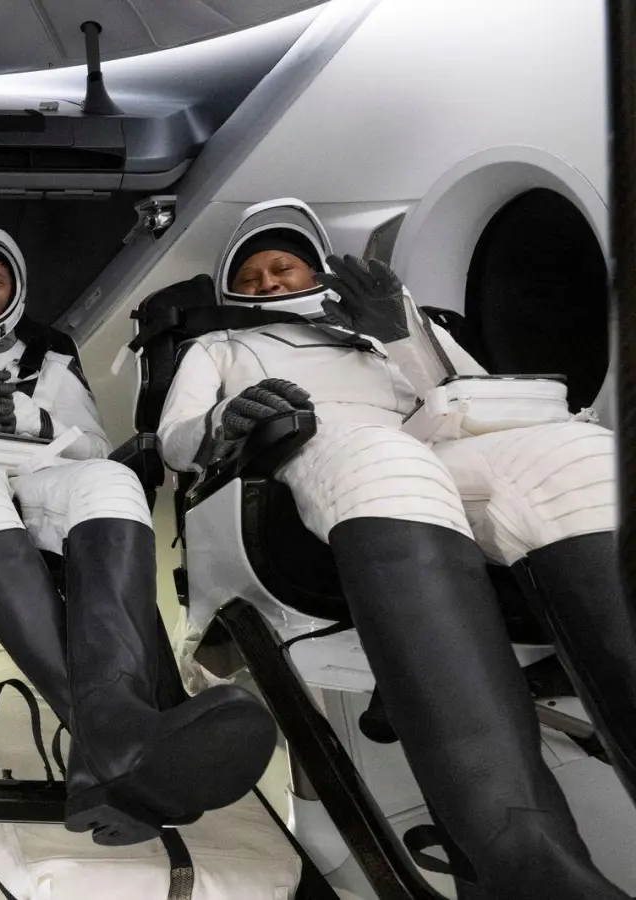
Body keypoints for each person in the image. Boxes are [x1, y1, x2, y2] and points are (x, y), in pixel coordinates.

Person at [157, 198, 629, 899]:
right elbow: (177, 441)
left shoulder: (395, 326)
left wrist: (401, 333)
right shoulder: (220, 347)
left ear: (314, 270)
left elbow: (477, 399)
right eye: (249, 276)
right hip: (318, 447)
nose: (265, 283)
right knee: (389, 464)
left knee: (581, 458)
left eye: (280, 267)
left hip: (448, 443)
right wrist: (230, 415)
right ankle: (526, 862)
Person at [0, 227, 276, 846]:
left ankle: (105, 744)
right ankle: (119, 731)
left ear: (15, 290)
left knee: (108, 481)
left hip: (40, 468)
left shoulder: (48, 363)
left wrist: (36, 418)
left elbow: (93, 446)